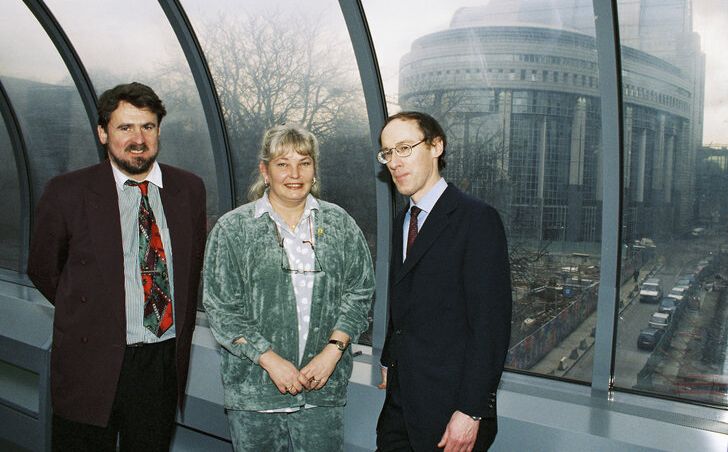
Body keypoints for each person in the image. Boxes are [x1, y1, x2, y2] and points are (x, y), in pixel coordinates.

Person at [27, 82, 208, 451]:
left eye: (148, 127)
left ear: (159, 131)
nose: (137, 138)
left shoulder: (189, 189)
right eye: (125, 127)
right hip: (90, 359)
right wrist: (92, 309)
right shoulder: (67, 191)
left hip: (160, 364)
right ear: (102, 132)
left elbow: (190, 270)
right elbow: (44, 270)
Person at [202, 124, 375, 452]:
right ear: (265, 171)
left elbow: (360, 289)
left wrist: (332, 352)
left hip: (322, 393)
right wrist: (269, 360)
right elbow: (222, 308)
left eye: (304, 162)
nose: (294, 173)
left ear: (314, 170)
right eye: (283, 163)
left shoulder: (339, 224)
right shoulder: (233, 230)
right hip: (256, 395)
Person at [376, 111, 512, 452]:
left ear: (436, 146)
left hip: (451, 411)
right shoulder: (403, 222)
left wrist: (471, 411)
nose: (395, 161)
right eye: (388, 152)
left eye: (405, 147)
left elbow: (490, 327)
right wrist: (389, 359)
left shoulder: (477, 219)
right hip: (399, 406)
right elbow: (403, 302)